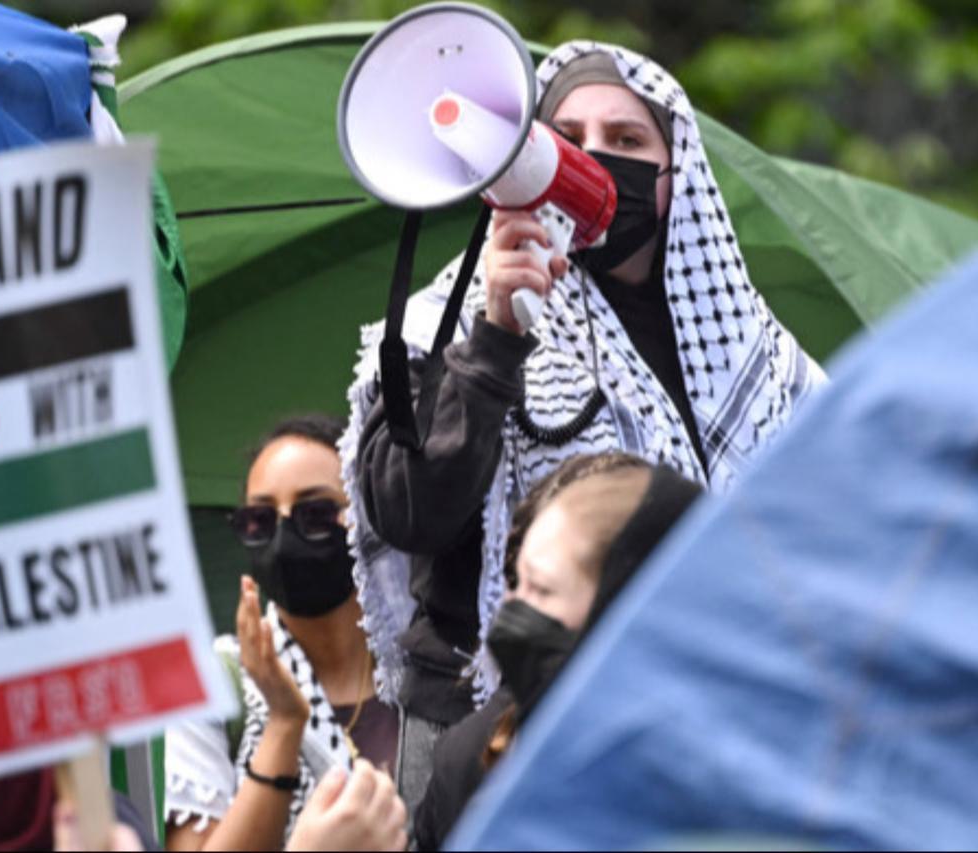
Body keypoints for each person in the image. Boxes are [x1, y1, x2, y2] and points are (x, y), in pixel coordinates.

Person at [343, 42, 826, 727]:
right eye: (566, 140)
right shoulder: (445, 319)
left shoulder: (757, 355)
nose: (593, 158)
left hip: (708, 718)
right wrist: (496, 341)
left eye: (625, 139)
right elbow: (409, 512)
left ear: (675, 173)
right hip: (493, 735)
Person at [414, 453, 702, 850]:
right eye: (515, 583)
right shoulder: (473, 764)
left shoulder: (730, 783)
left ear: (627, 606)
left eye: (542, 590)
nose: (509, 612)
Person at [164, 415, 417, 851]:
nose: (284, 538)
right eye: (259, 520)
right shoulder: (214, 685)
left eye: (315, 513)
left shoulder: (426, 677)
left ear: (365, 521)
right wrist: (283, 723)